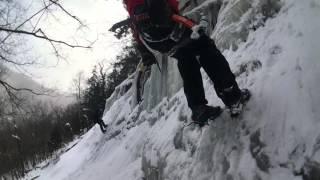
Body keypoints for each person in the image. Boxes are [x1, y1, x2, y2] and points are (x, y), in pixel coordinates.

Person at [123, 0, 250, 126]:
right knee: (206, 48)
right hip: (167, 24)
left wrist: (143, 50)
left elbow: (134, 25)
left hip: (152, 39)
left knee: (186, 58)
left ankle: (198, 109)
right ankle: (233, 97)